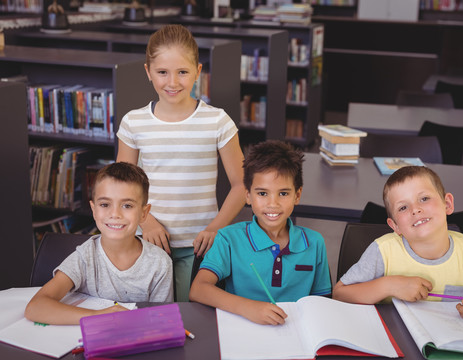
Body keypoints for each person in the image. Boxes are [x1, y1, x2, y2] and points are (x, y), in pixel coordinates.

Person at [116, 24, 245, 301]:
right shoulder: (133, 122)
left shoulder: (217, 121)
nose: (172, 82)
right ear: (148, 72)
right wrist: (146, 222)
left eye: (182, 72)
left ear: (198, 72)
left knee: (190, 319)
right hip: (144, 241)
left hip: (199, 246)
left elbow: (241, 184)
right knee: (147, 318)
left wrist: (215, 229)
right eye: (162, 72)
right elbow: (121, 189)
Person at [333, 166, 463, 321]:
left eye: (424, 199)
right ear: (395, 225)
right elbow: (340, 293)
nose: (415, 209)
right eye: (403, 208)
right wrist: (389, 285)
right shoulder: (383, 251)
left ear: (447, 204)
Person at [189, 140, 332, 325]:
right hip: (243, 329)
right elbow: (198, 289)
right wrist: (247, 307)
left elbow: (322, 302)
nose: (273, 203)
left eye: (283, 193)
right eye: (262, 193)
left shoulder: (314, 243)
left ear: (297, 195)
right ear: (247, 195)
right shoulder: (228, 238)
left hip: (297, 335)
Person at [25, 162, 173, 325]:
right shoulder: (84, 257)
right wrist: (102, 316)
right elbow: (35, 307)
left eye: (127, 205)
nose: (115, 214)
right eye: (104, 204)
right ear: (93, 209)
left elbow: (162, 322)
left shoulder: (159, 263)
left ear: (144, 213)